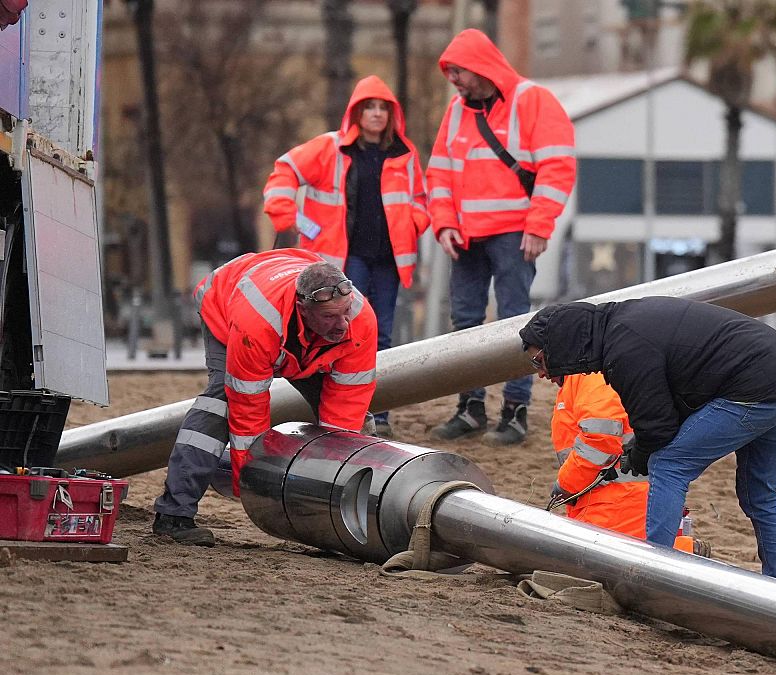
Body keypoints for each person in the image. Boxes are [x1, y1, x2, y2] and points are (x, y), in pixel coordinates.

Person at [519, 297, 776, 582]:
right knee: (759, 493)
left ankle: (654, 572)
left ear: (560, 342)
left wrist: (639, 455)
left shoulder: (622, 350)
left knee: (668, 464)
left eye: (539, 360)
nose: (541, 373)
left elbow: (657, 428)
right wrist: (641, 447)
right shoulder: (623, 327)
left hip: (754, 390)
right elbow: (669, 410)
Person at [152, 251, 378, 546]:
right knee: (220, 404)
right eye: (330, 317)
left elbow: (347, 406)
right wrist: (249, 486)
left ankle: (344, 520)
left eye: (345, 312)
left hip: (297, 336)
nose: (342, 325)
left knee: (357, 427)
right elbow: (248, 412)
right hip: (227, 304)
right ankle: (174, 515)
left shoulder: (360, 319)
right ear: (303, 309)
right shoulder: (258, 323)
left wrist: (333, 476)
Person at [425, 29, 576, 446]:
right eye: (449, 72)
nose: (453, 79)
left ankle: (515, 411)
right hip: (464, 238)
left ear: (480, 67)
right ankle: (470, 408)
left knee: (516, 325)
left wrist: (539, 225)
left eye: (458, 71)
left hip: (514, 234)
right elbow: (438, 173)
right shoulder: (456, 110)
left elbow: (557, 166)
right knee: (465, 325)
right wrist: (444, 223)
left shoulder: (532, 100)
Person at [263, 75, 428, 438]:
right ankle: (344, 407)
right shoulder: (330, 148)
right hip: (344, 260)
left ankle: (376, 412)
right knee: (345, 331)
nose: (376, 114)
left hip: (388, 260)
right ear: (356, 112)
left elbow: (420, 199)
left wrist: (415, 222)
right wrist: (286, 215)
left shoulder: (404, 153)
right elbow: (284, 169)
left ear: (391, 115)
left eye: (383, 108)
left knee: (380, 336)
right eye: (369, 107)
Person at [546, 371, 649, 538]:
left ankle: (684, 548)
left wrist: (566, 485)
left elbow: (600, 440)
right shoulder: (581, 379)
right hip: (611, 498)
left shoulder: (592, 377)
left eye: (539, 360)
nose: (541, 373)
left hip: (617, 502)